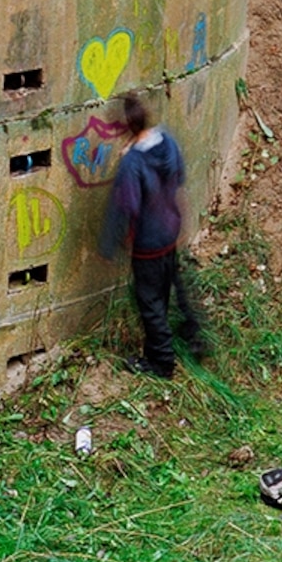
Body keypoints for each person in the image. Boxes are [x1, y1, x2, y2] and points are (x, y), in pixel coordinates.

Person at [102, 90, 207, 378]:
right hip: (170, 232)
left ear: (125, 128)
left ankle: (161, 362)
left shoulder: (131, 163)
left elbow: (127, 205)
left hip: (147, 243)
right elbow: (180, 180)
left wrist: (111, 244)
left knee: (149, 304)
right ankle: (189, 335)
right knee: (164, 291)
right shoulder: (168, 141)